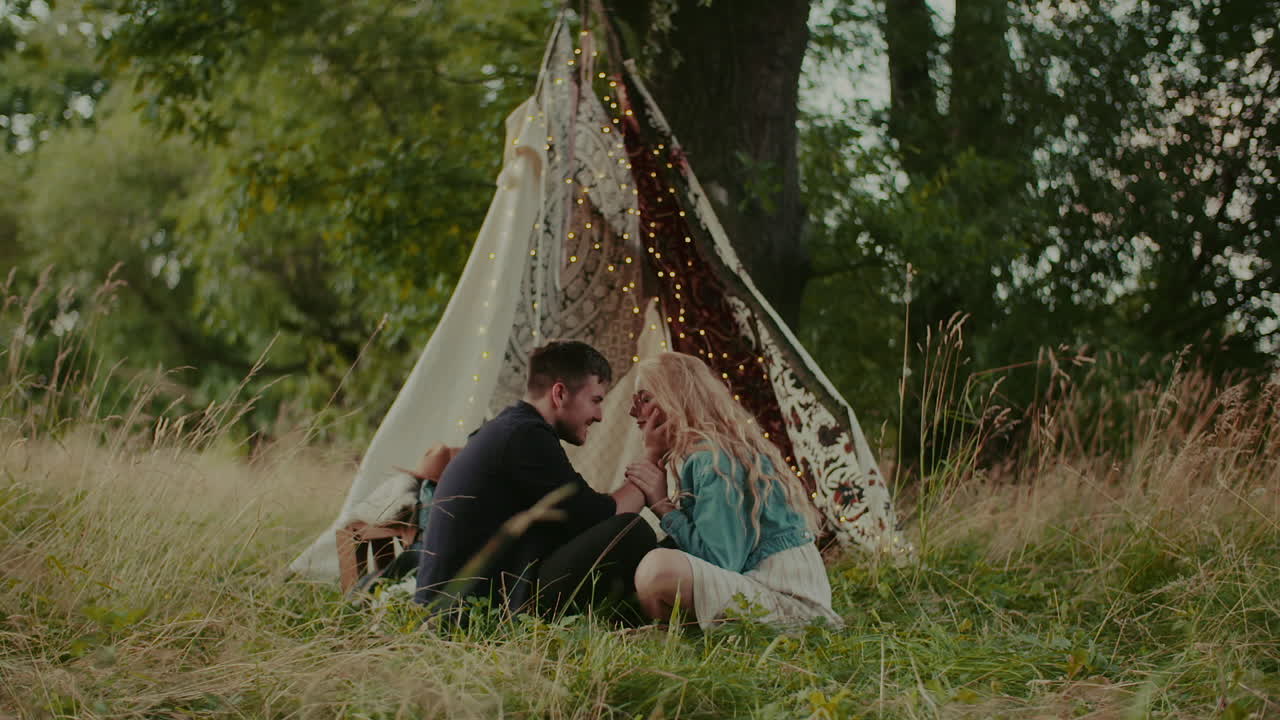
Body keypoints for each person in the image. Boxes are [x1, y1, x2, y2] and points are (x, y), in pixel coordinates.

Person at [413, 340, 664, 617]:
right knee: (631, 531)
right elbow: (607, 517)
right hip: (469, 615)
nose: (600, 415)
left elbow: (578, 517)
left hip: (464, 604)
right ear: (559, 394)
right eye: (595, 400)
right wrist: (653, 454)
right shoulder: (525, 436)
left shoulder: (509, 428)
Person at [623, 352, 842, 629]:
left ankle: (678, 636)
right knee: (649, 566)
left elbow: (720, 562)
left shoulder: (715, 460)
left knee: (658, 571)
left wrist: (663, 506)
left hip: (791, 604)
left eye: (644, 399)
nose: (633, 412)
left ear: (675, 401)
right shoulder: (705, 456)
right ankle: (678, 636)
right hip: (760, 592)